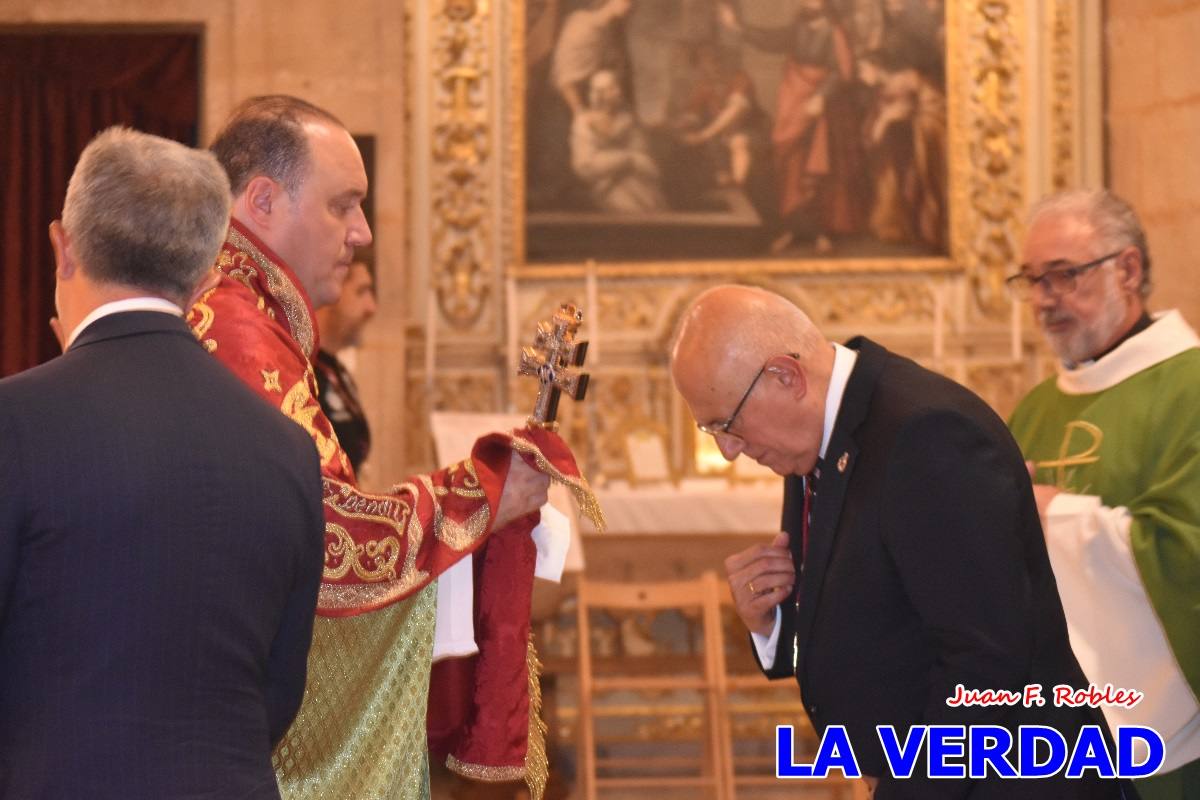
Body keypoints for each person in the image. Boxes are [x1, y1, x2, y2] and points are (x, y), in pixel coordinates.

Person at [192, 95, 588, 800]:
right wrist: (483, 491)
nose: (363, 233)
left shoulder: (243, 306)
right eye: (343, 206)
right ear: (263, 201)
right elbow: (332, 540)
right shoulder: (237, 324)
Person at [671, 285, 1125, 798]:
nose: (729, 451)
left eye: (726, 425)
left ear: (786, 376)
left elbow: (987, 661)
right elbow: (872, 612)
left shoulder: (929, 435)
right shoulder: (813, 433)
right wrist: (775, 624)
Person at [0, 127, 325, 798]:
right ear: (206, 273)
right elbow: (279, 689)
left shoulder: (15, 423)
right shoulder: (288, 448)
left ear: (63, 248)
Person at [1007, 189, 1200, 798]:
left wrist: (1055, 514)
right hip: (1050, 731)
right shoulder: (1036, 408)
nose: (1043, 299)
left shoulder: (1190, 387)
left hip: (1162, 739)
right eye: (1032, 280)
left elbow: (1184, 553)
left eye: (1063, 276)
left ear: (1129, 269)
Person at [570, 69, 667, 213]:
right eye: (597, 90)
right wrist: (627, 159)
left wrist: (633, 161)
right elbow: (585, 166)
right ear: (591, 94)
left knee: (653, 205)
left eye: (610, 88)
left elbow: (647, 163)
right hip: (606, 189)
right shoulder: (583, 122)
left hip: (638, 185)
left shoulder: (628, 120)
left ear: (619, 92)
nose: (602, 95)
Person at [314, 258, 376, 476]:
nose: (372, 307)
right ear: (333, 293)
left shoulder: (339, 373)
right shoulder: (302, 372)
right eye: (361, 292)